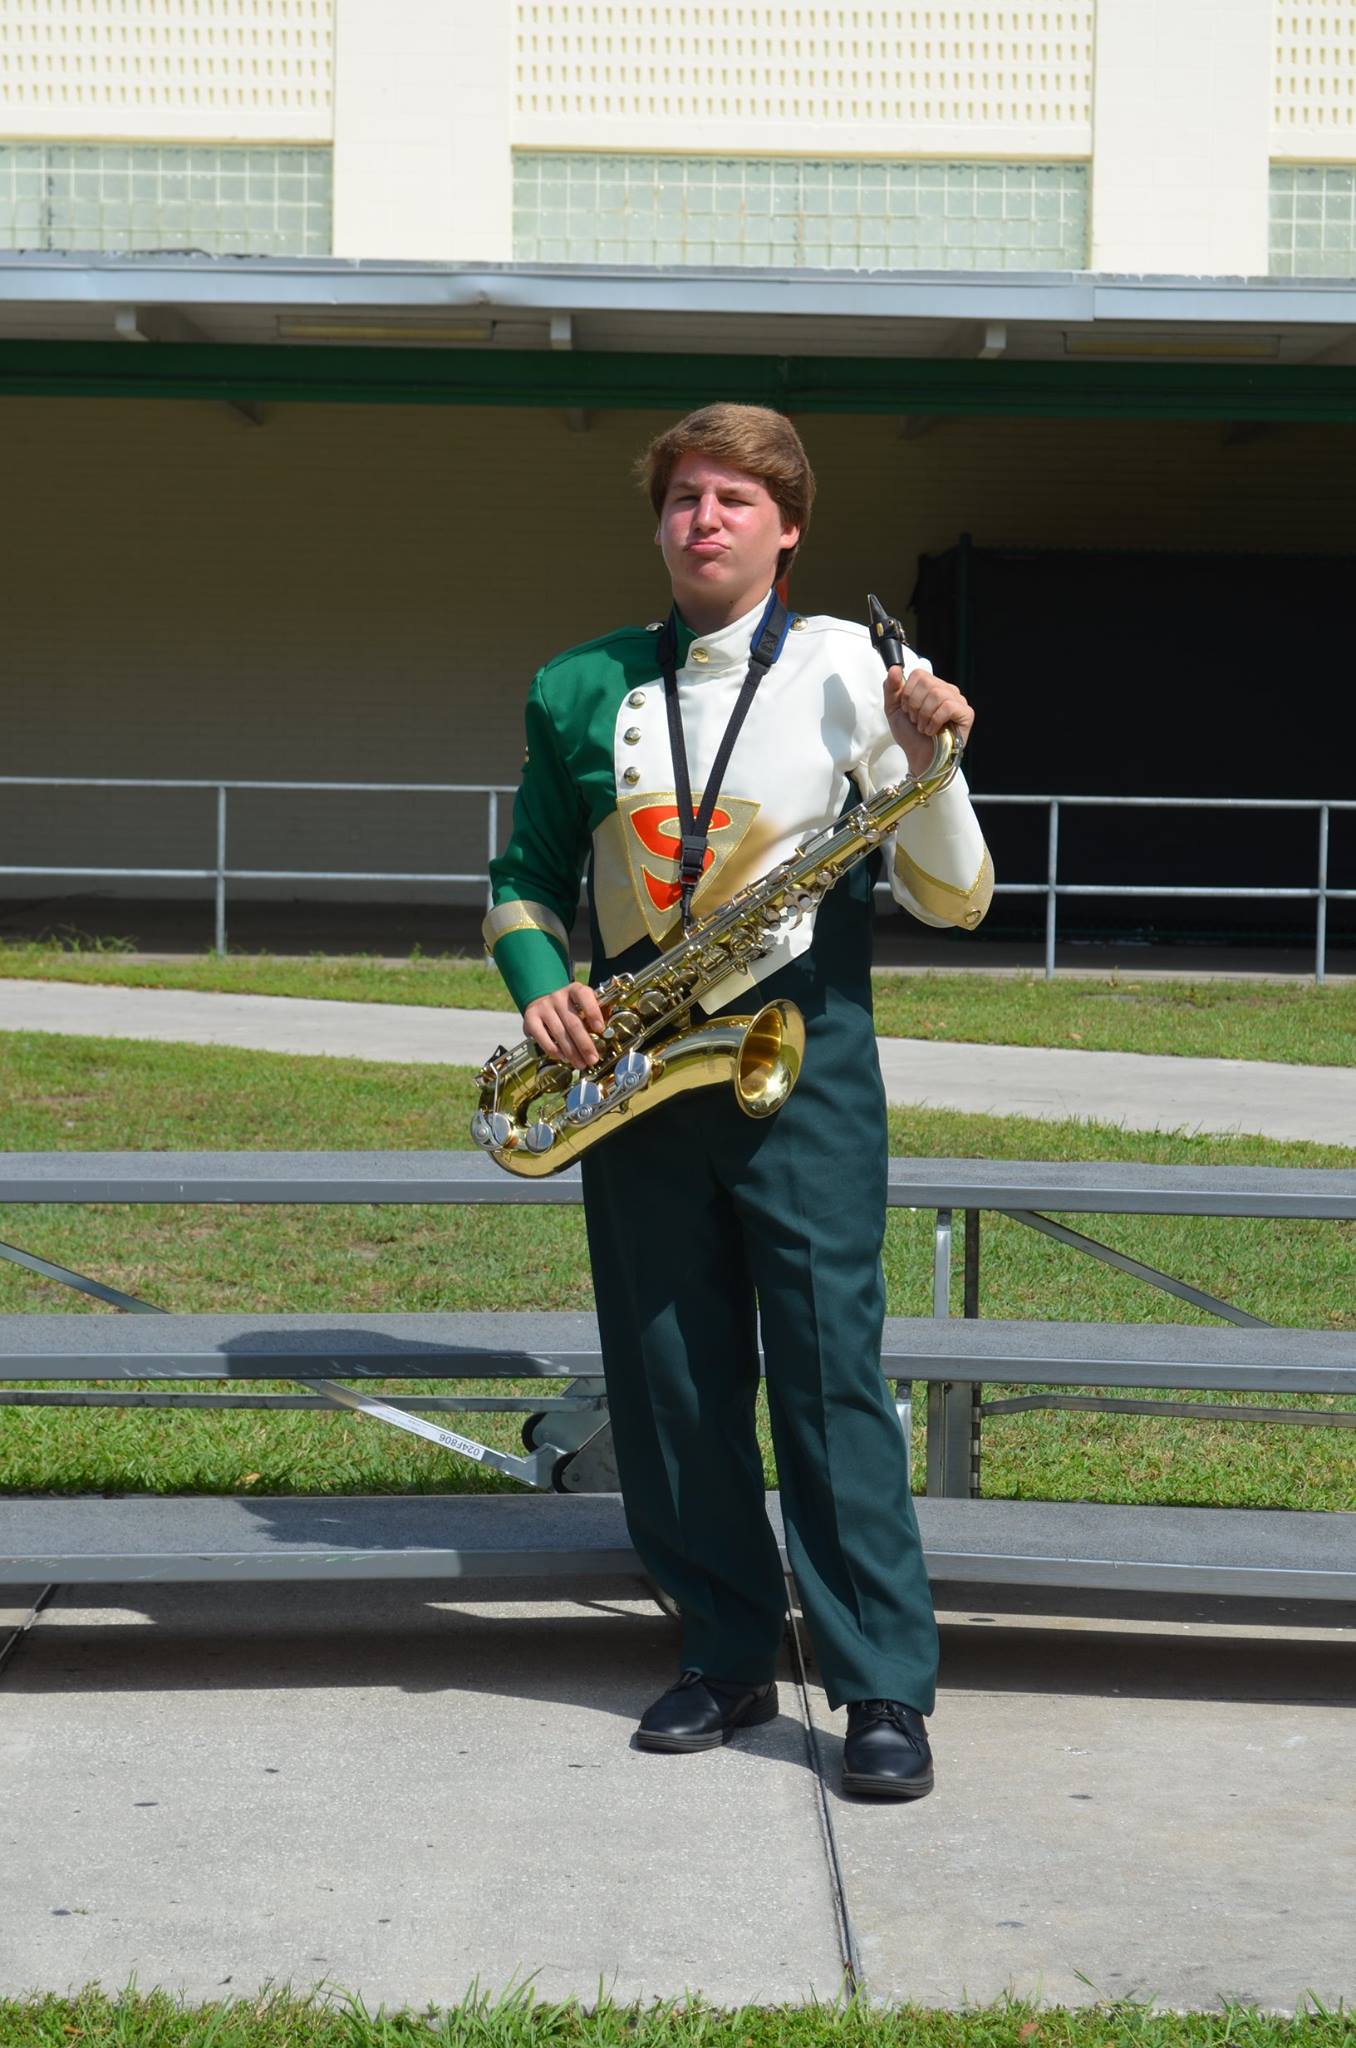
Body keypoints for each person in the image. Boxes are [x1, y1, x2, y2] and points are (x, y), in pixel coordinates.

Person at [484, 404, 992, 1798]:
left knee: (830, 1375)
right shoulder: (579, 683)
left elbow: (955, 896)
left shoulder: (852, 669)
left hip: (802, 1063)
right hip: (636, 1071)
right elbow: (521, 880)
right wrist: (542, 984)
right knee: (672, 1382)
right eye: (683, 498)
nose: (703, 519)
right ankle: (721, 1651)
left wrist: (931, 758)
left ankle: (881, 1687)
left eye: (735, 499)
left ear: (790, 528)